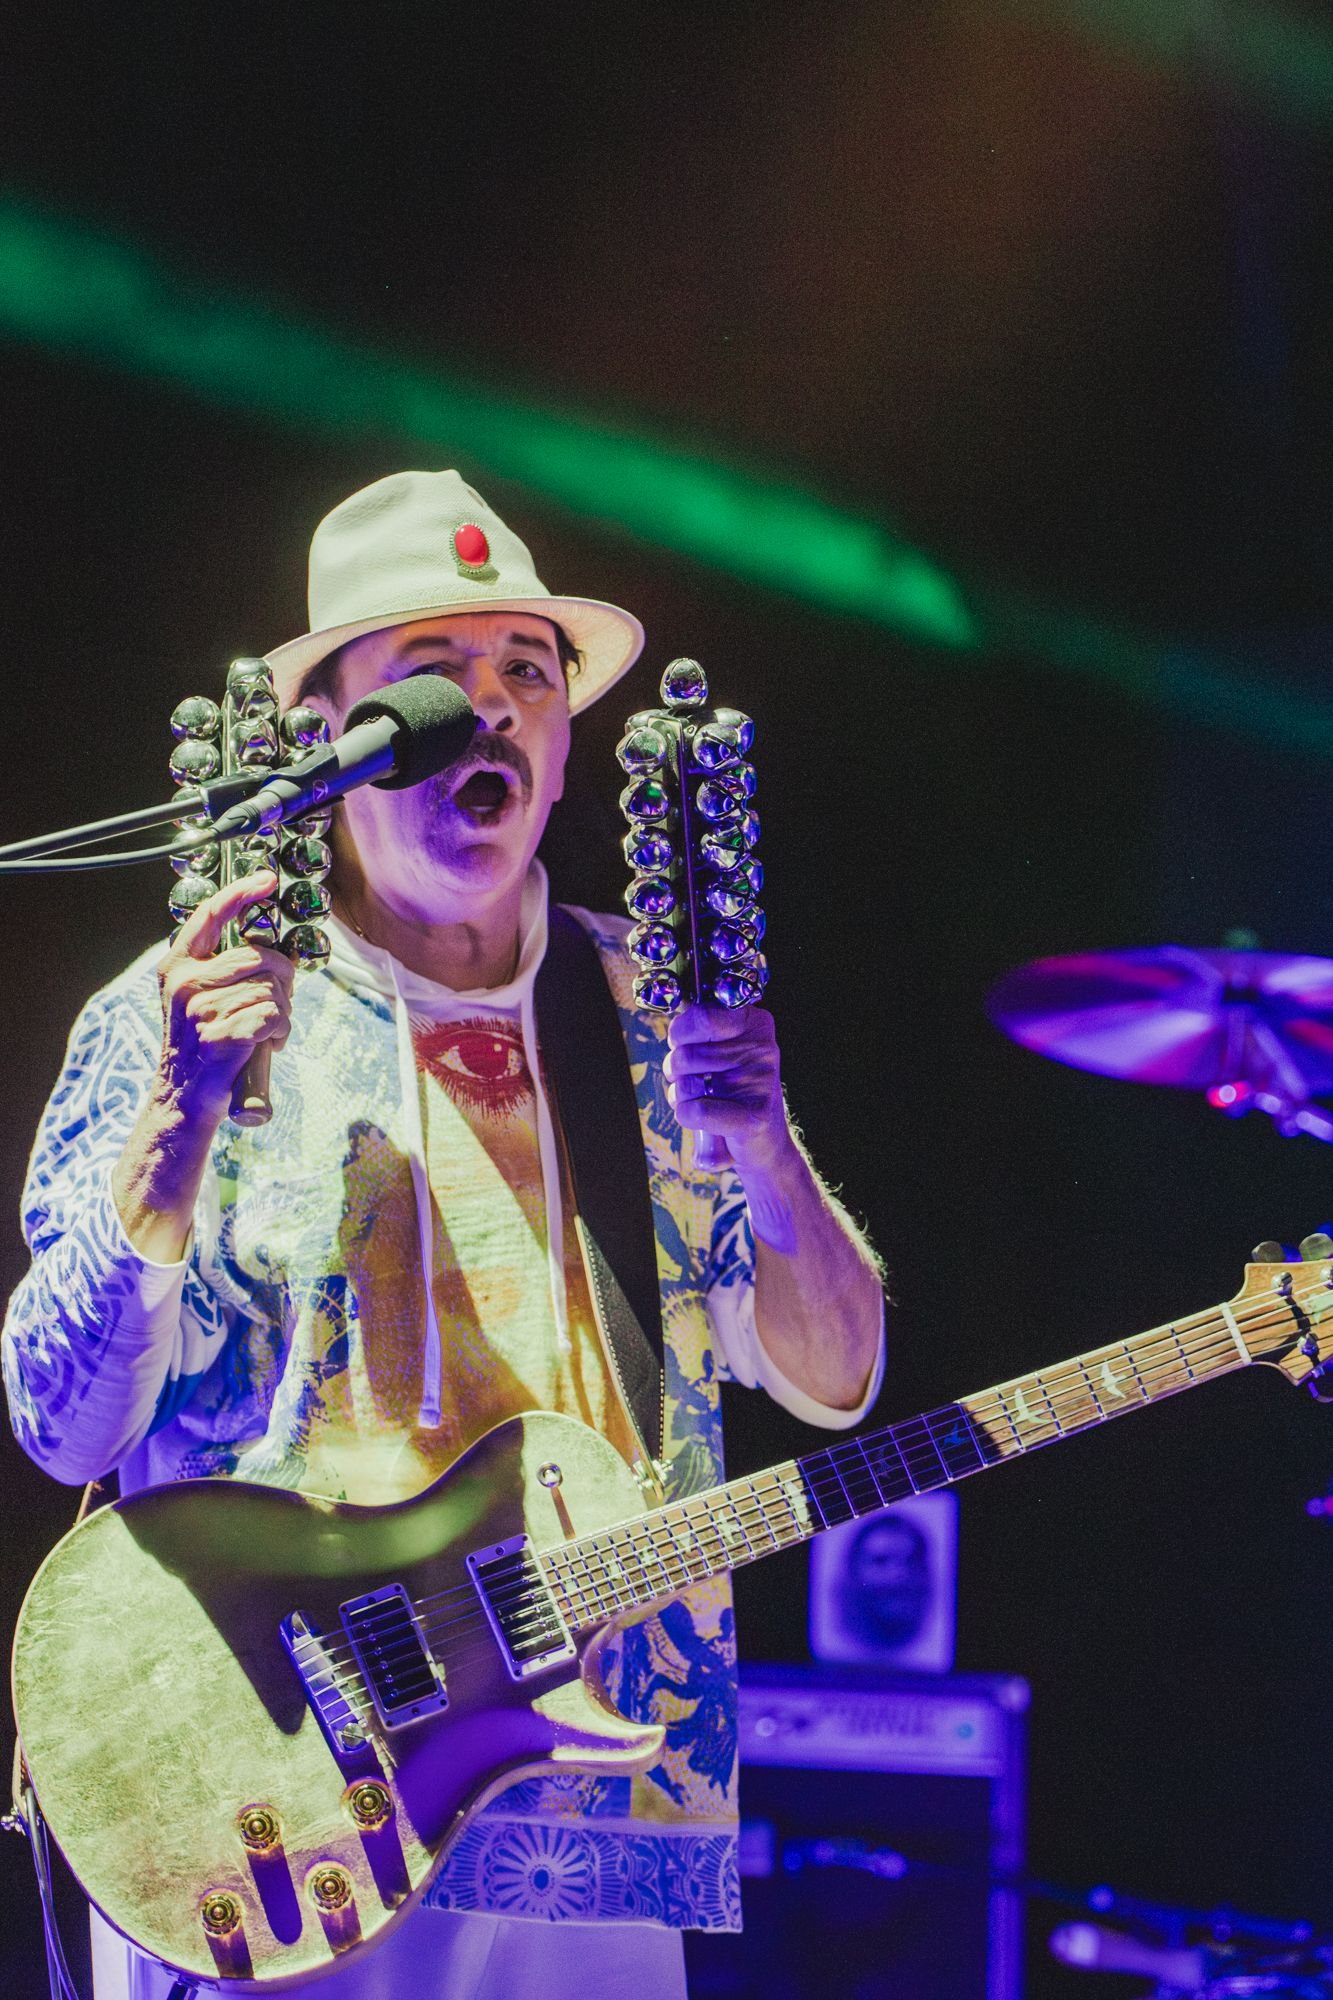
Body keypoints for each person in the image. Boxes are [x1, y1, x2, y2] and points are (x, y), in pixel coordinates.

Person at [3, 469, 886, 2000]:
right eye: (430, 675)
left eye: (526, 673)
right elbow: (58, 1421)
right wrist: (178, 1120)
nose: (488, 710)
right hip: (268, 1811)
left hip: (593, 1823)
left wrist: (759, 1146)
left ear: (564, 738)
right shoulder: (177, 1014)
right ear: (322, 739)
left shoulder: (653, 1011)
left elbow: (835, 1380)